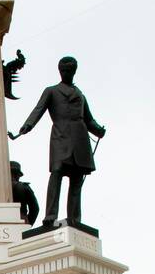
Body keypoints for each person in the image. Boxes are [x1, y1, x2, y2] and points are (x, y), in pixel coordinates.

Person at [15, 56, 105, 229]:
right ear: (59, 71)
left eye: (69, 70)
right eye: (63, 70)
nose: (66, 73)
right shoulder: (51, 91)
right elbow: (38, 110)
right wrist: (27, 126)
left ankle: (74, 218)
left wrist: (99, 130)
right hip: (60, 138)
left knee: (77, 180)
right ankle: (50, 216)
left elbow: (89, 120)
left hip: (80, 139)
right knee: (56, 173)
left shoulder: (81, 95)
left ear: (74, 71)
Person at [10, 161, 39, 226]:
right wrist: (28, 224)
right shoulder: (24, 187)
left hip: (2, 222)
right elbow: (35, 208)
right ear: (17, 175)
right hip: (22, 220)